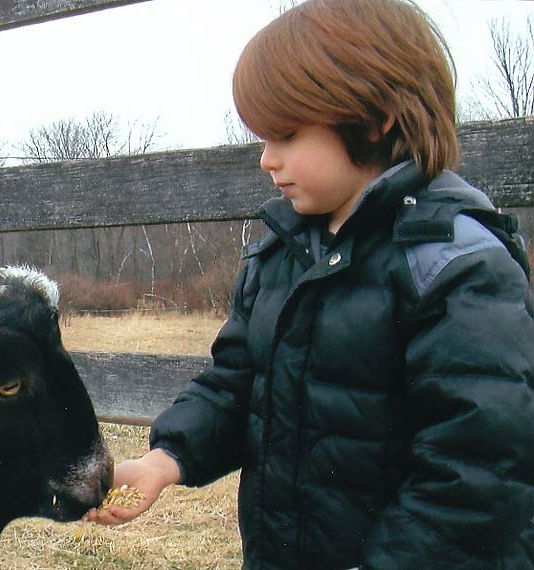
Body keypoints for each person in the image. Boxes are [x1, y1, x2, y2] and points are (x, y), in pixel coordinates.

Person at [84, 0, 534, 568]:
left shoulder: (454, 264)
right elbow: (234, 385)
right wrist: (164, 460)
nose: (267, 160)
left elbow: (477, 474)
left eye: (287, 135)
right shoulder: (281, 253)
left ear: (373, 118)